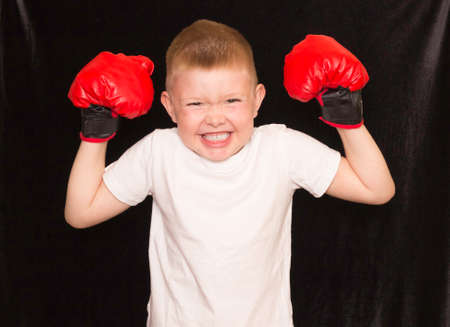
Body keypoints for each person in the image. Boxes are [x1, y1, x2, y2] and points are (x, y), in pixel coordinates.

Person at [64, 19, 395, 327]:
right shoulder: (159, 152)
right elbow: (81, 213)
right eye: (196, 104)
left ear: (257, 101)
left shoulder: (280, 148)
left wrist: (345, 113)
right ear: (170, 107)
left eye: (231, 100)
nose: (215, 118)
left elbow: (376, 189)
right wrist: (97, 127)